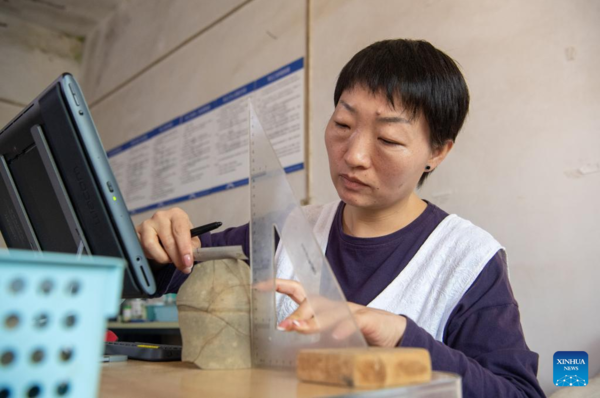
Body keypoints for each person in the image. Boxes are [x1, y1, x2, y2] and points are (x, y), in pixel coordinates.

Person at [137, 39, 545, 397]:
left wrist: (400, 335)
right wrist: (153, 244)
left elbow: (518, 393)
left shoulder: (466, 259)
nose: (353, 156)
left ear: (437, 152)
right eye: (343, 124)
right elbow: (159, 273)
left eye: (387, 139)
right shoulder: (286, 233)